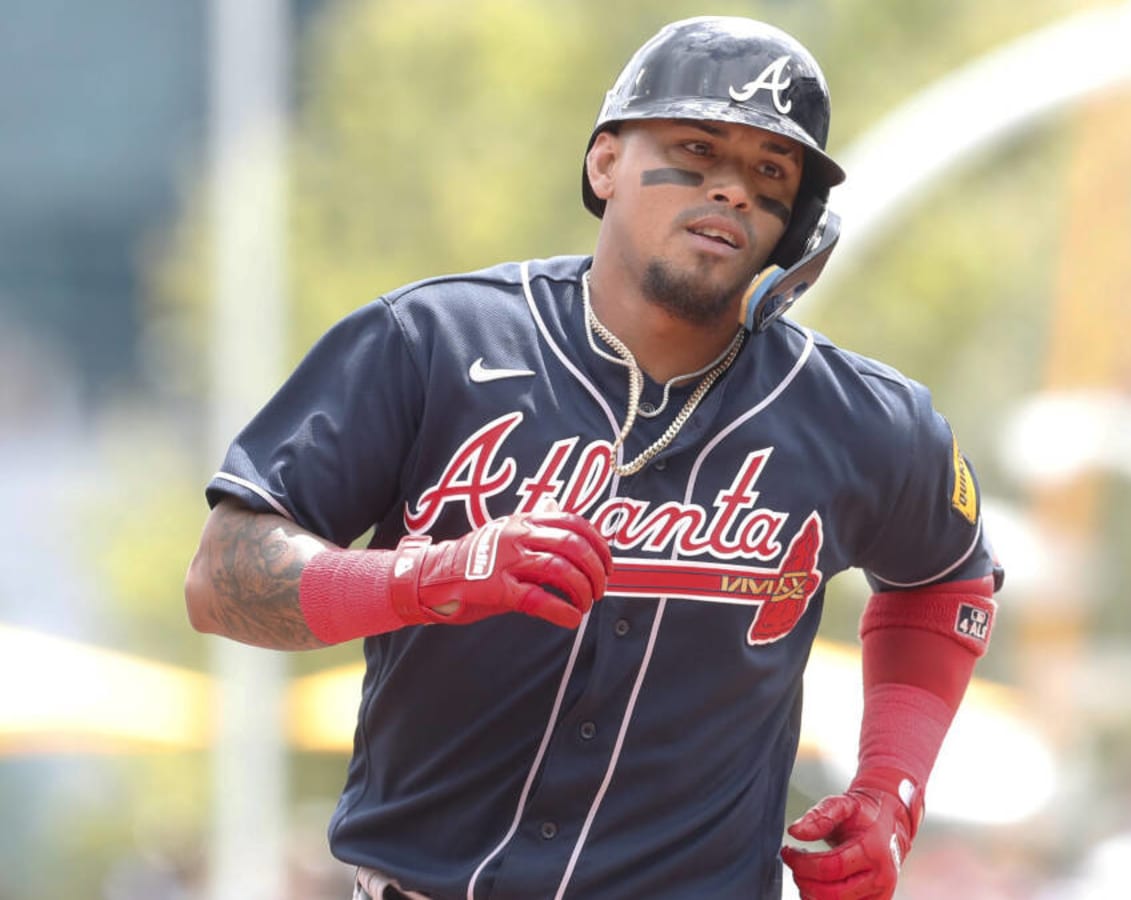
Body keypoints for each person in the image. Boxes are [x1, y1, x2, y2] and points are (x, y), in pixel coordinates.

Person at [184, 15, 1000, 900]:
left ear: (799, 221)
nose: (731, 190)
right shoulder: (429, 344)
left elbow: (947, 582)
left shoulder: (863, 418)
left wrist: (892, 790)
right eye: (696, 148)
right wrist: (417, 581)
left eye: (771, 173)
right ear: (605, 162)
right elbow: (222, 577)